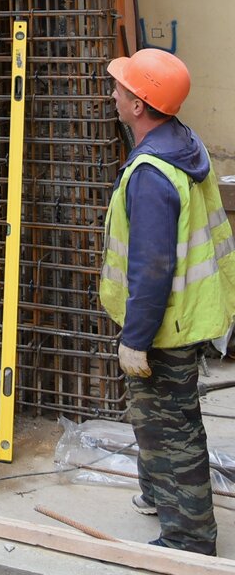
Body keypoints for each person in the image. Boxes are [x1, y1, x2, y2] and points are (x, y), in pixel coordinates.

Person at [100, 48, 235, 554]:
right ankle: (157, 494)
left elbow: (152, 268)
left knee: (170, 430)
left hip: (166, 326)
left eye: (121, 87)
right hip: (187, 315)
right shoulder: (183, 143)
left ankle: (189, 540)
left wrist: (135, 340)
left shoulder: (153, 175)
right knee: (156, 417)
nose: (114, 92)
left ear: (138, 105)